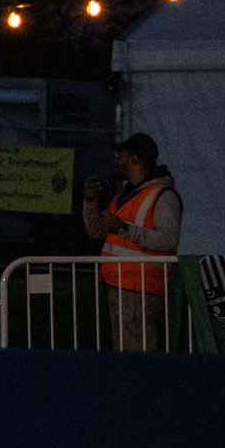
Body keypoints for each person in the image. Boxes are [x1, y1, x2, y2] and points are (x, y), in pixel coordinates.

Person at [81, 133, 182, 350]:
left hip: (141, 289)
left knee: (138, 357)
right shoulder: (125, 196)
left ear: (135, 159)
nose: (116, 160)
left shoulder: (163, 196)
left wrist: (123, 228)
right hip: (121, 286)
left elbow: (169, 240)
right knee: (128, 354)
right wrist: (90, 202)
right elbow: (97, 230)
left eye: (121, 155)